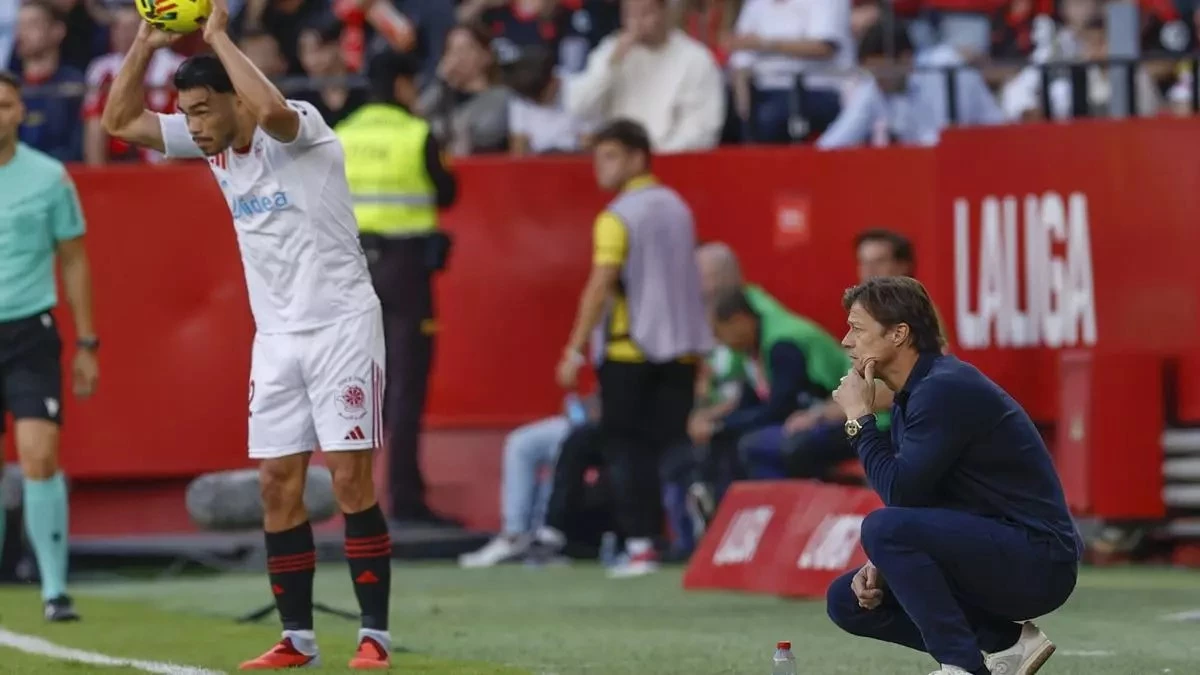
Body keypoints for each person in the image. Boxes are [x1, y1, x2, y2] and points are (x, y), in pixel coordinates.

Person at [100, 2, 393, 668]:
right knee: (276, 483)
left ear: (234, 99)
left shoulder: (302, 129)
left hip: (342, 325)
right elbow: (118, 121)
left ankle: (374, 636)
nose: (196, 126)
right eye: (188, 114)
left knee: (349, 480)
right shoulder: (209, 142)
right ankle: (298, 639)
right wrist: (144, 42)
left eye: (205, 110)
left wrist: (218, 36)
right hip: (277, 337)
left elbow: (273, 112)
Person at [827, 276, 1083, 675]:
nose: (846, 341)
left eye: (857, 329)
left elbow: (898, 493)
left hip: (1038, 560)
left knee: (883, 528)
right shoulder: (916, 393)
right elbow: (916, 498)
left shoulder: (944, 389)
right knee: (848, 600)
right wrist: (886, 561)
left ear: (898, 334)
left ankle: (962, 667)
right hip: (991, 544)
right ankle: (1007, 642)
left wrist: (859, 418)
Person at [555, 118, 711, 578]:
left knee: (625, 449)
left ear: (638, 157)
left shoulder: (617, 217)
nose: (600, 167)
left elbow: (601, 284)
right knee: (671, 448)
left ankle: (641, 543)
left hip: (630, 349)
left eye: (610, 156)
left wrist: (574, 349)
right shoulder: (678, 208)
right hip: (682, 350)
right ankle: (690, 532)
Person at [336, 50, 459, 529]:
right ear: (405, 85)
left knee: (354, 384)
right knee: (405, 383)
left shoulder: (342, 134)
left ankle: (353, 497)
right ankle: (404, 499)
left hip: (349, 267)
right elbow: (447, 192)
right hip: (404, 269)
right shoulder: (416, 133)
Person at [0, 70, 98, 622]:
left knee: (39, 455)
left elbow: (75, 259)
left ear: (21, 111)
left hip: (29, 331)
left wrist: (87, 342)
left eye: (5, 104)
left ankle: (54, 590)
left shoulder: (49, 177)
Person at [705, 287, 855, 481]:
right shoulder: (753, 346)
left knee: (754, 445)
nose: (718, 341)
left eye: (718, 332)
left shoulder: (782, 344)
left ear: (739, 321)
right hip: (812, 414)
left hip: (843, 416)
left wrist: (720, 428)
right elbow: (751, 401)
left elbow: (781, 408)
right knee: (728, 442)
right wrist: (718, 425)